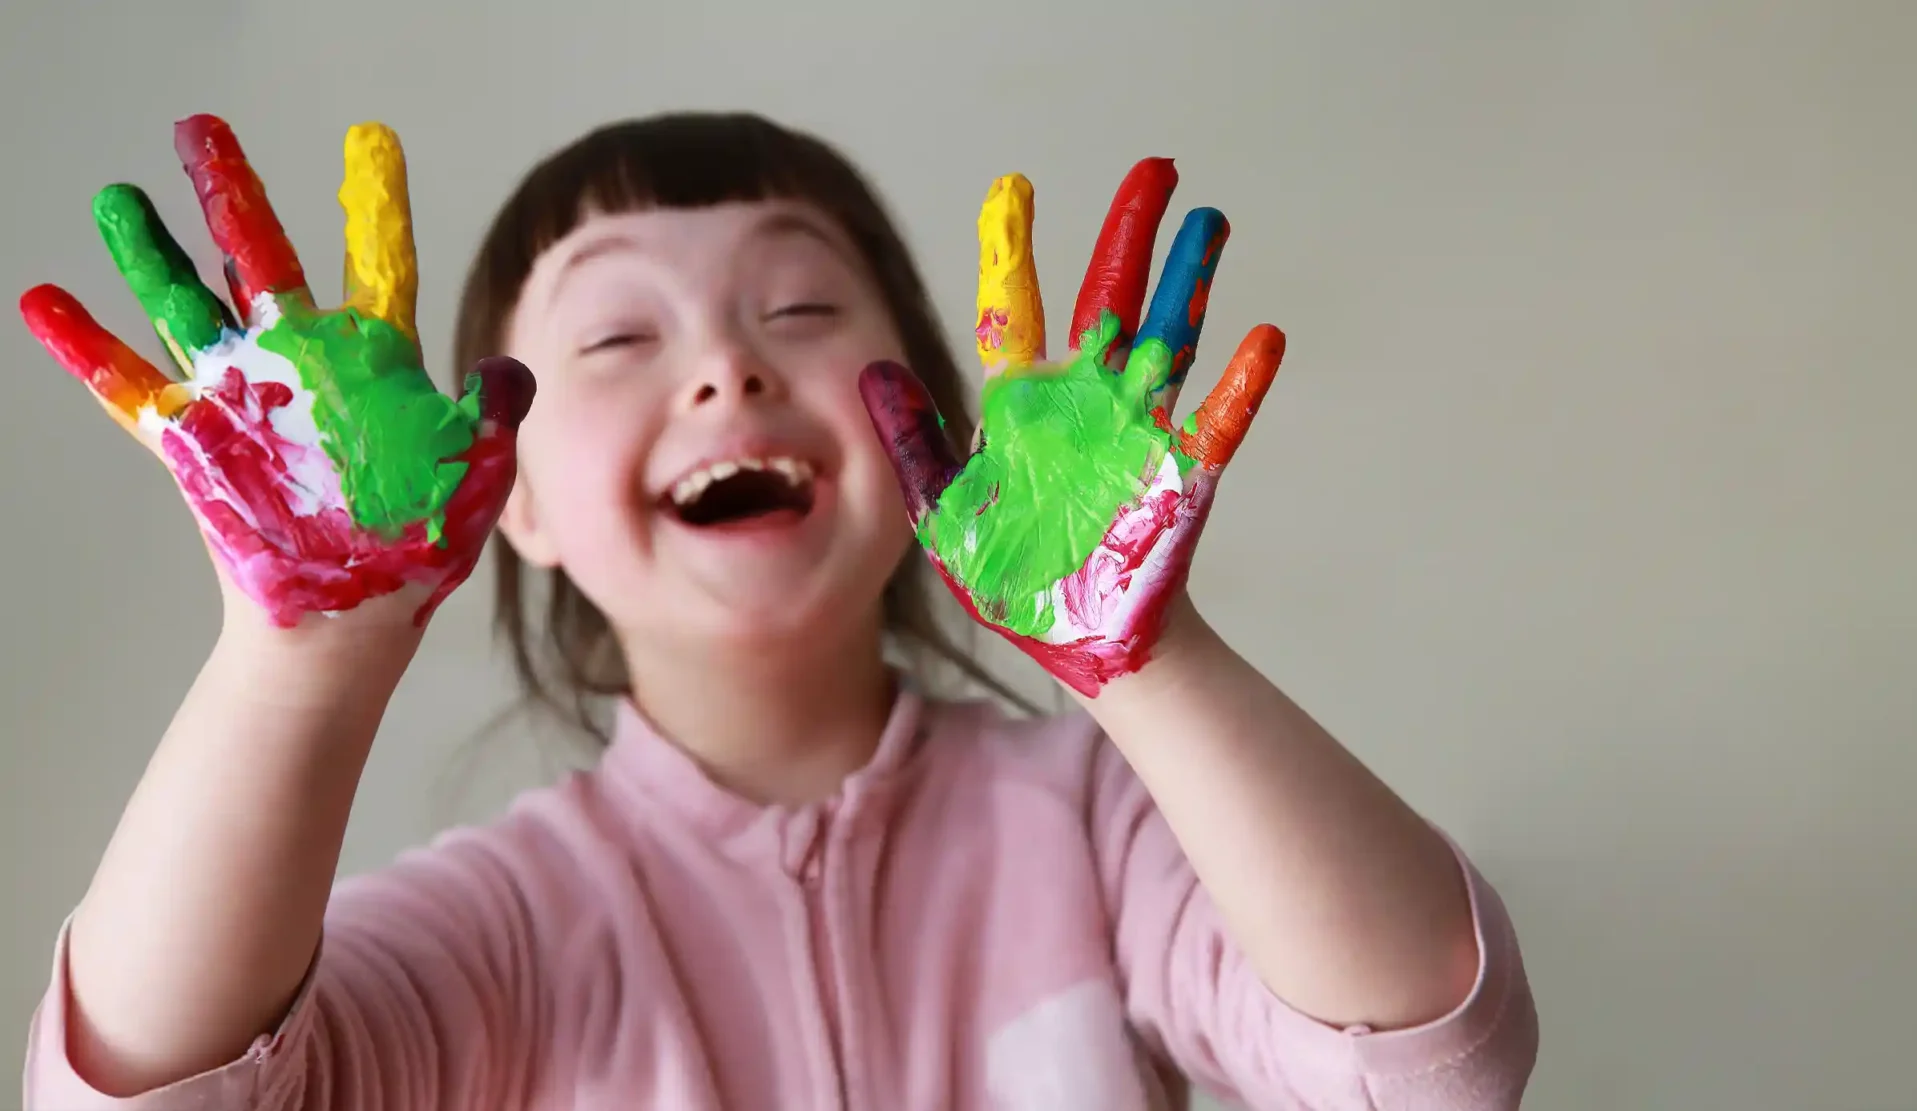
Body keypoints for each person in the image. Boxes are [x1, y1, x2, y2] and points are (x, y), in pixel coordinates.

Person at [18, 110, 1538, 1110]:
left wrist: (1146, 663)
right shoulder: (508, 925)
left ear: (933, 427)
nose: (728, 371)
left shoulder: (1091, 825)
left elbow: (1432, 1058)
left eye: (799, 310)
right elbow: (157, 1089)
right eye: (616, 332)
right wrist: (300, 661)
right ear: (513, 495)